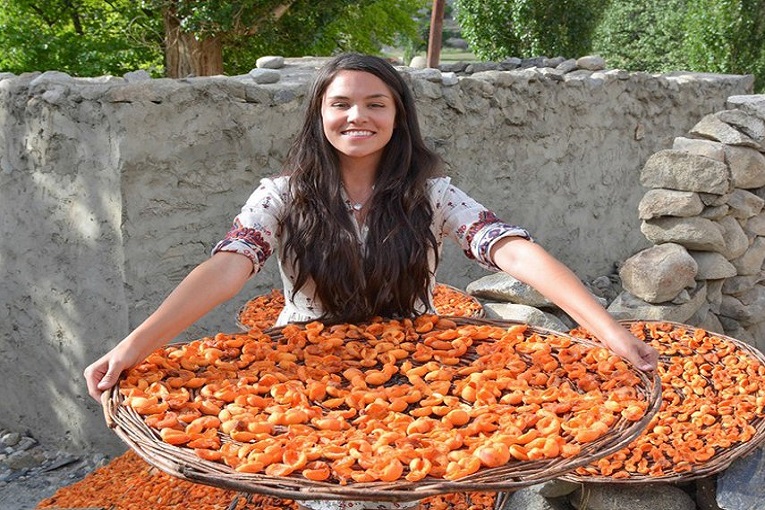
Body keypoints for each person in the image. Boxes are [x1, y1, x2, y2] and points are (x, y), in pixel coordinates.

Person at [85, 53, 657, 401]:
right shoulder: (283, 196)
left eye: (375, 103)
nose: (357, 115)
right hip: (303, 365)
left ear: (398, 116)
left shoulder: (430, 194)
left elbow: (513, 252)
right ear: (320, 117)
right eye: (341, 104)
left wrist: (607, 330)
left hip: (417, 368)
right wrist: (134, 346)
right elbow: (227, 268)